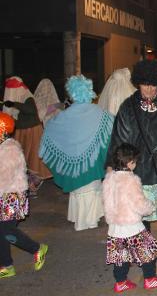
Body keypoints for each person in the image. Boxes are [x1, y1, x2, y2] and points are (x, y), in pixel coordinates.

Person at [106, 60, 157, 266]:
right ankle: (146, 249)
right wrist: (112, 165)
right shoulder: (128, 106)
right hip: (137, 168)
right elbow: (118, 138)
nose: (150, 89)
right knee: (140, 211)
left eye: (154, 85)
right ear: (138, 83)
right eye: (145, 84)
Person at [39, 75, 113, 231]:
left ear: (72, 94)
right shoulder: (100, 112)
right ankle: (90, 219)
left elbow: (50, 128)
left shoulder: (65, 115)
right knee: (93, 189)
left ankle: (79, 218)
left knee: (79, 192)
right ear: (89, 91)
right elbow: (111, 131)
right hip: (92, 161)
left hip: (73, 165)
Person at [103, 143, 157, 292]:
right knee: (147, 252)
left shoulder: (109, 178)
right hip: (132, 225)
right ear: (130, 162)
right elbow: (139, 204)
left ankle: (120, 282)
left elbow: (106, 200)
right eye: (135, 161)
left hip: (115, 226)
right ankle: (150, 279)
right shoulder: (131, 180)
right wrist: (151, 207)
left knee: (120, 257)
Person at [0, 112, 48, 279]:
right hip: (5, 195)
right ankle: (6, 265)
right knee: (2, 230)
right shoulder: (3, 146)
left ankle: (36, 248)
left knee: (6, 230)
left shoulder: (10, 150)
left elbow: (3, 177)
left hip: (11, 197)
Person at [2, 76, 52, 179]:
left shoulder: (27, 97)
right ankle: (22, 179)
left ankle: (35, 180)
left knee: (34, 157)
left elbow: (31, 110)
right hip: (20, 131)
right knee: (20, 157)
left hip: (32, 130)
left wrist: (14, 104)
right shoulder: (16, 97)